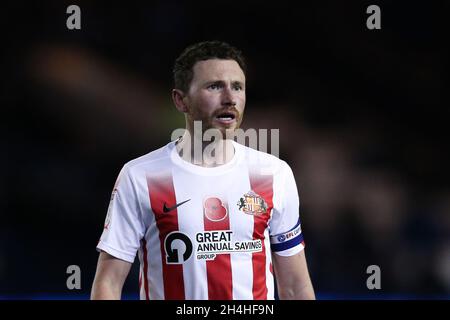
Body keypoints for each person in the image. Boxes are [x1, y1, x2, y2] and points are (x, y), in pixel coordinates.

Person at [91, 41, 315, 300]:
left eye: (237, 87)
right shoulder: (141, 176)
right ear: (180, 100)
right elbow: (108, 282)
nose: (230, 98)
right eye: (214, 86)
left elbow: (295, 286)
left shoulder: (274, 174)